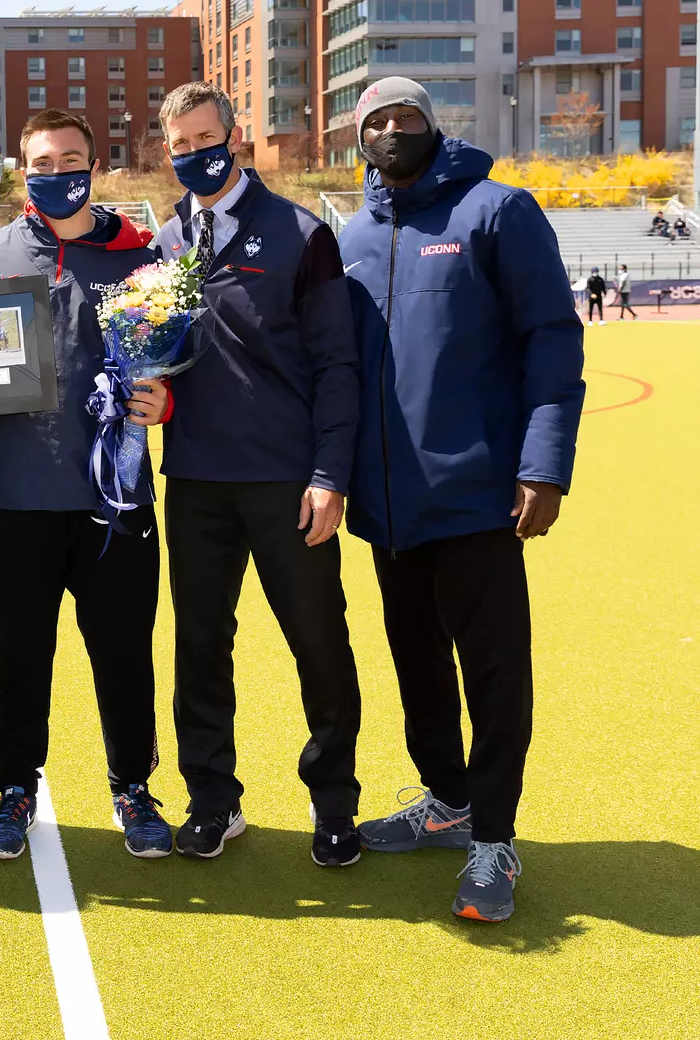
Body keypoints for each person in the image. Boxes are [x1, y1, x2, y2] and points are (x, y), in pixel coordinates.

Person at [340, 78, 584, 923]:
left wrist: (543, 467)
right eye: (376, 120)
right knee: (416, 665)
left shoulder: (497, 211)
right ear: (358, 137)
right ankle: (446, 800)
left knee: (493, 671)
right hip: (388, 508)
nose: (391, 129)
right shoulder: (356, 233)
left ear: (432, 126)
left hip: (479, 497)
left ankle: (496, 837)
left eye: (405, 116)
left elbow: (552, 337)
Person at [0, 108, 173, 862]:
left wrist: (167, 400)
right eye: (42, 162)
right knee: (20, 656)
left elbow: (178, 363)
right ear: (23, 170)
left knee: (124, 655)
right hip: (15, 500)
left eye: (71, 158)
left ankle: (132, 789)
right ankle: (15, 789)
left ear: (95, 164)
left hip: (116, 502)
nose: (57, 172)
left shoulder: (142, 256)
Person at [151, 82, 364, 868]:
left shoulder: (302, 233)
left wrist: (328, 474)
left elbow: (338, 366)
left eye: (205, 139)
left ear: (234, 137)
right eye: (179, 146)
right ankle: (213, 799)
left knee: (319, 641)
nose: (194, 155)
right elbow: (167, 356)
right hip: (197, 481)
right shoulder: (166, 241)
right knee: (200, 645)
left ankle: (334, 802)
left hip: (287, 481)